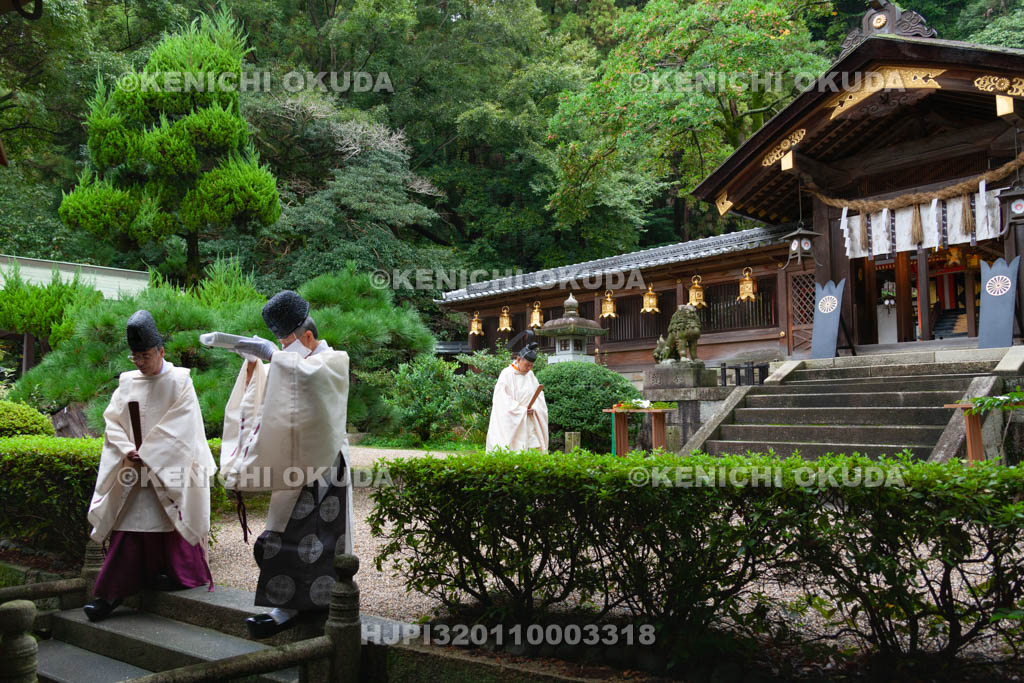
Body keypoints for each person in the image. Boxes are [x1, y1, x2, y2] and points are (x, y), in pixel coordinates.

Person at [219, 290, 352, 639]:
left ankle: (307, 606)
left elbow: (304, 378)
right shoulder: (294, 361)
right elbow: (278, 383)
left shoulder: (334, 360)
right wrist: (254, 364)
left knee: (316, 537)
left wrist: (271, 356)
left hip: (324, 463)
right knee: (283, 534)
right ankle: (289, 606)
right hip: (295, 461)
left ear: (308, 336)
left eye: (286, 342)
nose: (282, 351)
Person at [84, 310, 216, 622]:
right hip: (134, 467)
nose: (141, 363)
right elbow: (112, 420)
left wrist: (153, 452)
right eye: (135, 357)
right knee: (130, 528)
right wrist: (128, 448)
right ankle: (110, 594)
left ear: (161, 351)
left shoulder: (180, 382)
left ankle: (178, 576)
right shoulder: (127, 383)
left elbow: (183, 427)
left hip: (167, 468)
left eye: (145, 355)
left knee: (171, 521)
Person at [485, 342, 549, 453]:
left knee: (534, 448)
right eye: (527, 365)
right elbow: (501, 400)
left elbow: (539, 397)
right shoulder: (507, 374)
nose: (529, 368)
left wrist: (535, 407)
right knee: (513, 450)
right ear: (519, 359)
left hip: (530, 419)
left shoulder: (530, 375)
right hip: (513, 420)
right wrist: (521, 410)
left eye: (531, 366)